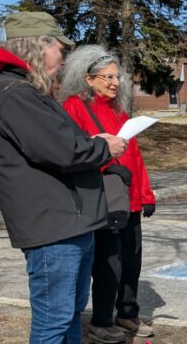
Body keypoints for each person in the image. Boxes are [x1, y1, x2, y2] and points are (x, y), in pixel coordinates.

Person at [0, 12, 126, 343]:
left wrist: (92, 143)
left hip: (70, 224)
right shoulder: (13, 92)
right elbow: (61, 150)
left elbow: (58, 142)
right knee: (53, 322)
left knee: (70, 316)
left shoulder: (26, 91)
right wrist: (102, 149)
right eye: (60, 47)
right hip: (52, 230)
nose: (63, 56)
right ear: (40, 46)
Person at [59, 45, 156, 342]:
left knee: (132, 259)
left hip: (130, 198)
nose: (115, 83)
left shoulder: (119, 110)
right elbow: (72, 154)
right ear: (88, 79)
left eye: (118, 77)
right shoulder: (74, 107)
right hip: (103, 197)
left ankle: (127, 313)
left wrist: (146, 194)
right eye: (108, 77)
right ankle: (101, 320)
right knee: (108, 262)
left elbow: (134, 157)